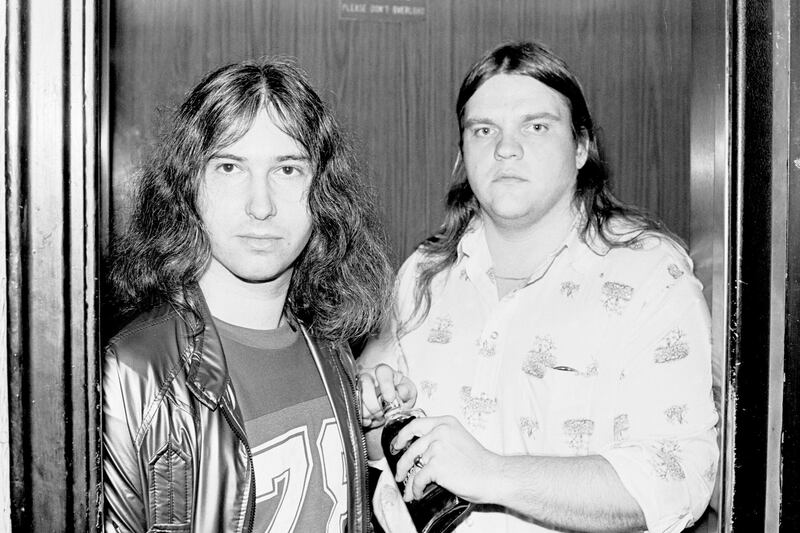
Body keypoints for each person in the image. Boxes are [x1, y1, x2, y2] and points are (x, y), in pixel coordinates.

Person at [359, 41, 719, 533]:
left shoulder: (650, 275)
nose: (505, 148)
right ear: (463, 154)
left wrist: (493, 474)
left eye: (536, 125)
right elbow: (381, 452)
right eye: (484, 130)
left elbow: (677, 477)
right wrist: (375, 419)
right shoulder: (423, 272)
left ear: (580, 148)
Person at [102, 57, 396, 533]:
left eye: (287, 169)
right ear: (188, 186)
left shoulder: (330, 347)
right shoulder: (136, 373)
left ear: (322, 190)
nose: (261, 206)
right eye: (230, 166)